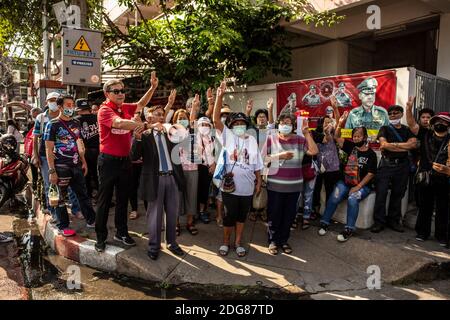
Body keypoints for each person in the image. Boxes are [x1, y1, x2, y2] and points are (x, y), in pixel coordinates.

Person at [94, 72, 158, 252]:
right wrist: (145, 125)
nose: (121, 94)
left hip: (125, 161)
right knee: (104, 201)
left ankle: (121, 232)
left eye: (122, 91)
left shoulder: (124, 107)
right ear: (107, 93)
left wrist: (152, 88)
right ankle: (100, 237)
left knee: (123, 200)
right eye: (116, 91)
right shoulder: (105, 110)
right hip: (108, 162)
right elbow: (120, 124)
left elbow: (141, 104)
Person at [213, 81, 263, 258]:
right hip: (230, 188)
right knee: (229, 217)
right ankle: (226, 242)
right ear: (232, 125)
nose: (240, 125)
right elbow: (216, 120)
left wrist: (259, 183)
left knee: (242, 218)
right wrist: (220, 96)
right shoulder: (228, 137)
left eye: (243, 123)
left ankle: (238, 242)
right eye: (237, 123)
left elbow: (257, 164)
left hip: (248, 188)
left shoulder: (252, 140)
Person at [131, 105, 186, 261]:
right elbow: (134, 156)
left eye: (163, 115)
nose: (161, 117)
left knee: (173, 213)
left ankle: (172, 243)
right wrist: (138, 139)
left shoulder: (171, 134)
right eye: (158, 114)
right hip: (155, 180)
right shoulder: (145, 136)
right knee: (154, 215)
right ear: (149, 117)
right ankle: (154, 246)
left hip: (172, 178)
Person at [263, 113, 318, 254]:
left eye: (288, 123)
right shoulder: (271, 139)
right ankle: (273, 241)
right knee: (274, 214)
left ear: (293, 126)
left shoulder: (300, 140)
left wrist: (306, 134)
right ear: (278, 125)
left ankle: (284, 240)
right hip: (275, 186)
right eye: (282, 122)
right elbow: (262, 158)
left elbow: (314, 151)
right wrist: (279, 156)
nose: (285, 125)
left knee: (289, 215)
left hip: (294, 186)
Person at [43, 95, 96, 236]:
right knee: (60, 198)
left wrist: (83, 161)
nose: (71, 107)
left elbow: (79, 144)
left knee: (83, 195)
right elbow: (48, 149)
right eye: (68, 105)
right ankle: (63, 226)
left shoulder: (76, 123)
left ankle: (91, 220)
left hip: (76, 166)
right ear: (60, 107)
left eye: (72, 104)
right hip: (61, 167)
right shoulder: (52, 124)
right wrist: (52, 171)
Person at [318, 118, 377, 242]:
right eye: (354, 136)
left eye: (358, 136)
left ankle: (349, 229)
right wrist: (340, 122)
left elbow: (371, 174)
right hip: (346, 182)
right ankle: (324, 222)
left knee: (353, 198)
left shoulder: (371, 154)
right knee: (335, 196)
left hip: (362, 185)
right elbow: (336, 136)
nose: (356, 138)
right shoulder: (350, 147)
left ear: (365, 137)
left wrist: (358, 187)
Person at [32, 92, 82, 221]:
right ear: (46, 102)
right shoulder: (41, 118)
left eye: (55, 100)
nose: (53, 102)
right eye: (51, 100)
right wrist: (35, 155)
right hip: (45, 156)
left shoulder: (69, 117)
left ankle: (76, 209)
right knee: (51, 185)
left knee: (71, 186)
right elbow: (35, 138)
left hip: (66, 158)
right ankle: (54, 212)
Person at [371, 105, 417, 233]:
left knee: (398, 194)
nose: (392, 116)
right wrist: (403, 146)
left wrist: (393, 145)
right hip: (386, 165)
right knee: (381, 193)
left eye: (395, 113)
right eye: (390, 114)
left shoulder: (407, 130)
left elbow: (413, 144)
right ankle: (379, 222)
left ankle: (393, 221)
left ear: (401, 114)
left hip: (402, 166)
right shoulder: (384, 129)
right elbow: (383, 144)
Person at [412, 112, 450, 245]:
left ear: (448, 125)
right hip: (426, 177)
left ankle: (442, 236)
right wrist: (409, 107)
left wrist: (447, 170)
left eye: (443, 122)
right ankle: (422, 233)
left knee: (443, 208)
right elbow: (412, 124)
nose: (440, 124)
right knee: (425, 206)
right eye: (437, 121)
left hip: (444, 180)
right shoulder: (425, 135)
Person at [172, 96, 201, 236]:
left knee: (191, 196)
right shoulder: (172, 133)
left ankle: (190, 222)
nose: (181, 120)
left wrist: (194, 107)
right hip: (177, 170)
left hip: (192, 169)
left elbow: (193, 121)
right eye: (179, 118)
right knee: (177, 197)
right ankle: (176, 223)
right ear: (175, 121)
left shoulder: (192, 130)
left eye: (184, 117)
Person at [245, 98, 275, 222]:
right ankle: (253, 211)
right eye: (259, 117)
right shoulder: (253, 131)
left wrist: (270, 109)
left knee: (266, 188)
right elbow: (246, 123)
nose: (261, 118)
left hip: (268, 164)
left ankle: (264, 210)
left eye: (264, 116)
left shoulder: (270, 131)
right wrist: (248, 111)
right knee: (254, 187)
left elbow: (272, 124)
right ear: (256, 119)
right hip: (254, 164)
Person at [312, 96, 342, 218]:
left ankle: (328, 213)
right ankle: (315, 210)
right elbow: (324, 140)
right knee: (316, 190)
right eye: (326, 122)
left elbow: (339, 121)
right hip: (318, 167)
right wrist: (325, 132)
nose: (329, 124)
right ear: (321, 123)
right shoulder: (314, 133)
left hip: (332, 167)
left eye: (330, 122)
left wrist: (335, 108)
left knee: (330, 190)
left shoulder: (333, 132)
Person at [75, 99, 99, 200]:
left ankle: (88, 196)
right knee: (98, 175)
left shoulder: (75, 120)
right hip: (98, 150)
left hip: (83, 151)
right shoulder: (97, 117)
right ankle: (101, 197)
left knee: (86, 175)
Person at [196, 116, 216, 224]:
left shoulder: (213, 138)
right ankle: (198, 211)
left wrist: (215, 164)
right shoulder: (195, 137)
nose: (204, 127)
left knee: (206, 190)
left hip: (211, 167)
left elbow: (218, 152)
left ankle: (203, 210)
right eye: (202, 125)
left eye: (206, 124)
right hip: (199, 167)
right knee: (198, 190)